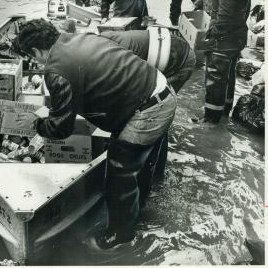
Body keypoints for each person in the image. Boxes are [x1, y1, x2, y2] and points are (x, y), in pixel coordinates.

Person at [16, 18, 177, 251]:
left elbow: (61, 129)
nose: (36, 62)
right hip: (162, 90)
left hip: (149, 111)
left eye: (32, 57)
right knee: (142, 161)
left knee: (119, 173)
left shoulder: (56, 70)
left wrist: (36, 124)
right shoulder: (80, 37)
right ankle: (144, 203)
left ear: (36, 50)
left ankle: (121, 236)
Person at [192, 0, 252, 124]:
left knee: (215, 76)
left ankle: (211, 119)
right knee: (229, 75)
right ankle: (225, 110)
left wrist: (211, 35)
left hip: (224, 39)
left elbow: (224, 16)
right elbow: (244, 10)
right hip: (237, 36)